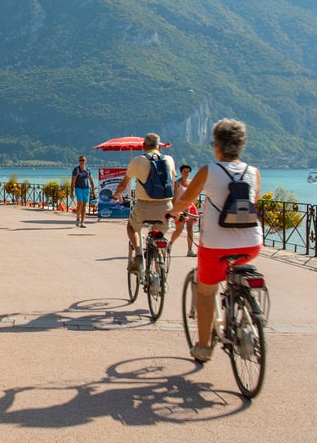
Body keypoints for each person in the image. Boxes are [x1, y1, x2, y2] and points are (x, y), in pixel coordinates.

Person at [168, 119, 263, 364]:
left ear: (217, 146)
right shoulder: (253, 172)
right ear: (241, 146)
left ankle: (204, 345)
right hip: (252, 243)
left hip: (216, 246)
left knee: (206, 290)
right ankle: (243, 315)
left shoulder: (209, 171)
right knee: (235, 272)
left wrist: (174, 213)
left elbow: (184, 201)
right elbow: (254, 202)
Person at [111, 133, 177, 270]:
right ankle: (160, 263)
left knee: (131, 227)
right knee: (158, 232)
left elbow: (124, 184)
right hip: (166, 207)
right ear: (159, 147)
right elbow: (172, 184)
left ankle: (139, 253)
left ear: (143, 146)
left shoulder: (138, 161)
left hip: (144, 206)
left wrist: (116, 195)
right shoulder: (169, 160)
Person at [169, 164, 200, 256]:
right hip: (180, 208)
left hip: (190, 208)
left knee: (190, 228)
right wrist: (174, 210)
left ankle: (190, 250)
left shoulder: (191, 183)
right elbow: (174, 198)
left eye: (188, 172)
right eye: (184, 171)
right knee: (179, 229)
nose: (186, 173)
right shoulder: (177, 183)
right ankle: (170, 243)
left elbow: (194, 197)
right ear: (181, 172)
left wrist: (195, 206)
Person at [71, 156, 94, 228]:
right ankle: (78, 217)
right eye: (81, 160)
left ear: (85, 161)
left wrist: (93, 190)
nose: (82, 161)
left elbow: (91, 180)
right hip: (78, 188)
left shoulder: (88, 169)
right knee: (80, 203)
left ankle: (82, 222)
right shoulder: (76, 169)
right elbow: (73, 181)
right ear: (79, 161)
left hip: (86, 189)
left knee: (84, 204)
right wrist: (71, 192)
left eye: (83, 160)